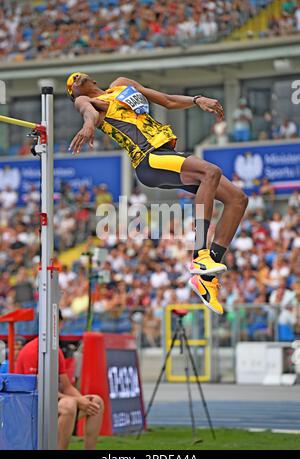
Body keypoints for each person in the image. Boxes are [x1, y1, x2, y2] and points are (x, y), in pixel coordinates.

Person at [66, 72, 248, 314]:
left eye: (78, 76)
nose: (76, 78)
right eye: (72, 83)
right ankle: (200, 254)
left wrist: (196, 100)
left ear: (94, 80)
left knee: (237, 199)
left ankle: (207, 275)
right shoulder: (85, 101)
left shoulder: (121, 85)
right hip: (148, 159)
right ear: (74, 94)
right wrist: (89, 125)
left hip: (165, 154)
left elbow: (167, 100)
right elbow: (86, 111)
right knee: (210, 172)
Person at [16, 311, 104, 450]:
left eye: (55, 323)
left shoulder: (55, 350)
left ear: (60, 324)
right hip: (29, 406)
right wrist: (76, 401)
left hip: (50, 402)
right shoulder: (32, 350)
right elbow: (40, 389)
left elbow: (67, 386)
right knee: (68, 404)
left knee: (96, 402)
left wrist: (83, 401)